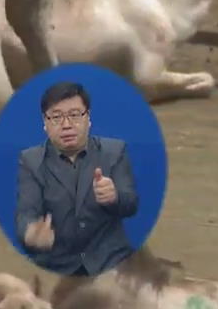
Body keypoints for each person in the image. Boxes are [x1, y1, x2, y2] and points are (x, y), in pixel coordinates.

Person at [15, 81, 140, 276]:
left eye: (74, 115)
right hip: (57, 265)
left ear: (88, 118)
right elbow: (26, 212)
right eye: (56, 117)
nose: (66, 125)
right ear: (45, 123)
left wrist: (114, 197)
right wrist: (31, 233)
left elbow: (131, 204)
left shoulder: (114, 152)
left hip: (111, 263)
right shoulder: (31, 161)